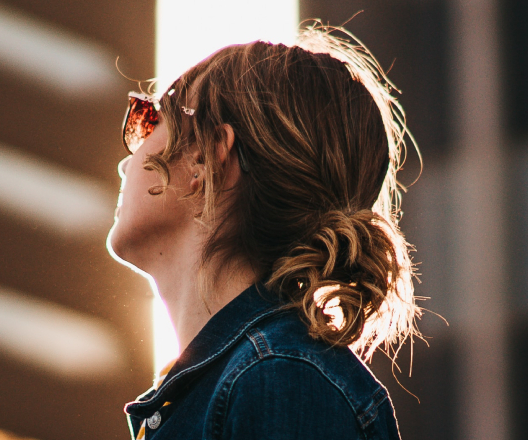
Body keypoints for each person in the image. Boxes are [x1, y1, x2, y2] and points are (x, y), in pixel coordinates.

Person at [107, 24, 421, 440]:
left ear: (207, 157)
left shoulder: (278, 380)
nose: (125, 163)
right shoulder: (258, 379)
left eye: (148, 120)